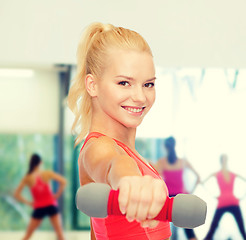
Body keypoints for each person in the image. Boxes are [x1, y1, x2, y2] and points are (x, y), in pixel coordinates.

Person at [67, 22, 172, 240]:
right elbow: (113, 164)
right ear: (92, 85)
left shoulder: (135, 155)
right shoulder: (98, 147)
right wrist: (129, 181)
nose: (141, 97)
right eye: (124, 83)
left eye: (148, 84)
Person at [155, 136, 200, 240]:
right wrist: (190, 192)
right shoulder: (183, 161)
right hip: (181, 199)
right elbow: (198, 177)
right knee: (190, 233)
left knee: (161, 232)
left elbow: (155, 179)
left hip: (168, 200)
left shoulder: (161, 162)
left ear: (166, 148)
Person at [14, 153, 67, 240]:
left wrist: (28, 202)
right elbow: (63, 181)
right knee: (60, 234)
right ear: (40, 162)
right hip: (51, 205)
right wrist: (57, 194)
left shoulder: (27, 177)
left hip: (39, 207)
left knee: (27, 236)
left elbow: (16, 194)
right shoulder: (46, 173)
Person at [203, 154, 246, 240]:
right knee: (213, 228)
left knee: (241, 229)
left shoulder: (227, 174)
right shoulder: (222, 174)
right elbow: (203, 183)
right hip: (226, 202)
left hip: (229, 202)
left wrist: (242, 197)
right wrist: (213, 195)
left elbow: (203, 183)